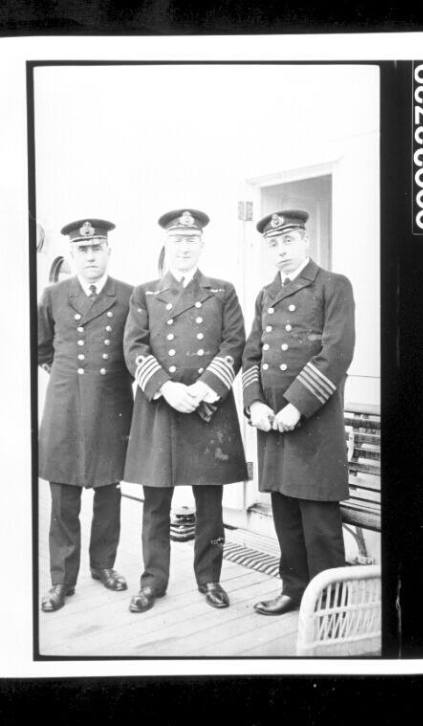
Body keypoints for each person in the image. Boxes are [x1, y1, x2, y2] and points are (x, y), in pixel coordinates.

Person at [123, 209, 247, 613]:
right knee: (156, 503)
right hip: (162, 409)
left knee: (209, 505)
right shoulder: (144, 293)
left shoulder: (222, 291)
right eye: (177, 240)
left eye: (191, 240)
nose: (184, 248)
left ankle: (210, 579)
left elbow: (234, 344)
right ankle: (153, 581)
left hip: (207, 409)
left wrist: (204, 388)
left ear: (201, 246)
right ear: (167, 245)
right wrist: (166, 388)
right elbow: (134, 347)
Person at [242, 209, 355, 615]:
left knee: (318, 521)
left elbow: (337, 352)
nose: (281, 250)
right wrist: (253, 402)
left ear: (306, 241)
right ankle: (294, 589)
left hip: (313, 424)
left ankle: (331, 604)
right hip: (271, 423)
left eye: (288, 240)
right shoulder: (265, 294)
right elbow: (250, 354)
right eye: (273, 244)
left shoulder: (333, 286)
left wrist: (297, 406)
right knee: (285, 514)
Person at [38, 219, 133, 612]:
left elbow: (135, 350)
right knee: (64, 497)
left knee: (109, 493)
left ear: (109, 252)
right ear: (73, 255)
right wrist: (68, 382)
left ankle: (103, 566)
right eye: (83, 250)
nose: (91, 256)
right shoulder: (53, 295)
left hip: (111, 407)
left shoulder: (129, 295)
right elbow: (41, 348)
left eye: (97, 249)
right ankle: (61, 580)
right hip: (64, 407)